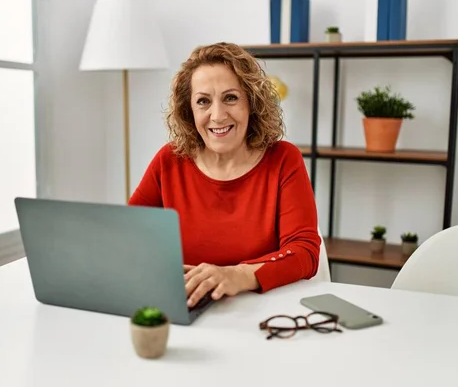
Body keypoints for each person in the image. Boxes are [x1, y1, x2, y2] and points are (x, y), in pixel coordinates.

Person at [128, 42, 321, 308]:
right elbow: (129, 235)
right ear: (189, 111)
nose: (217, 115)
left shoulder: (283, 160)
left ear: (251, 103)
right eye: (203, 101)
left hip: (261, 313)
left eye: (231, 97)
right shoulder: (169, 160)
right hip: (186, 310)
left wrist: (237, 274)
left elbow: (304, 253)